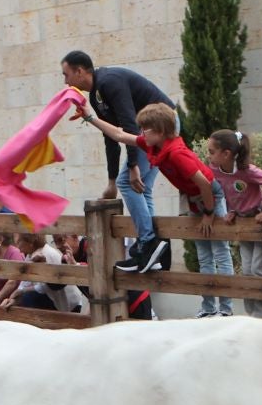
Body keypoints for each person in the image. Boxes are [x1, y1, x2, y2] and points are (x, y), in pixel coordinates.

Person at [82, 102, 232, 305]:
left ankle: (226, 307)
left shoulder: (177, 154)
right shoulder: (153, 145)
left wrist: (208, 213)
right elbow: (120, 136)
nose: (142, 132)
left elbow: (205, 185)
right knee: (204, 254)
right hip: (193, 198)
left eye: (146, 129)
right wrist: (90, 118)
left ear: (160, 132)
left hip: (210, 198)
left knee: (220, 250)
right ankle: (209, 306)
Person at [61, 50, 179, 273]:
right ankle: (157, 252)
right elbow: (111, 137)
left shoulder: (109, 83)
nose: (65, 81)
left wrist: (132, 167)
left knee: (130, 181)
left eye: (66, 75)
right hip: (151, 128)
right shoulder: (96, 94)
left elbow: (129, 125)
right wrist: (111, 180)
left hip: (162, 125)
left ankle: (148, 242)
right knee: (140, 188)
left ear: (79, 71)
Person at [207, 130, 262, 318]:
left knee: (258, 269)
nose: (208, 156)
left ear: (226, 154)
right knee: (246, 271)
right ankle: (252, 316)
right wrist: (232, 210)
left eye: (212, 152)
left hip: (258, 220)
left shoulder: (247, 171)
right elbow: (226, 192)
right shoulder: (215, 171)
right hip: (243, 222)